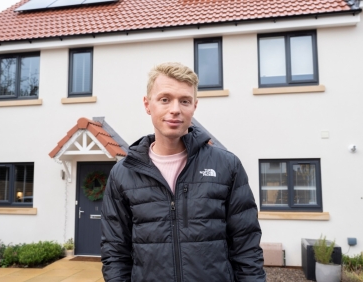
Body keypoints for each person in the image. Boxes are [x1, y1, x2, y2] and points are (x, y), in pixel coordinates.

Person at [100, 62, 266, 281]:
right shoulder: (123, 173)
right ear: (147, 104)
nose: (175, 109)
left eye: (185, 101)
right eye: (165, 99)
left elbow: (246, 248)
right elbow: (115, 251)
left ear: (194, 106)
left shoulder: (227, 166)